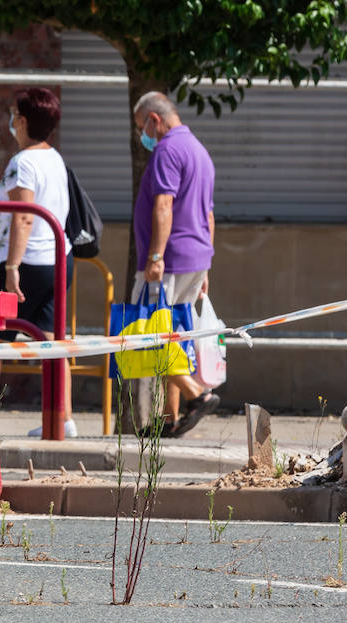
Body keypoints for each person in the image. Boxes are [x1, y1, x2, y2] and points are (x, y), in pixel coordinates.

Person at [0, 87, 77, 437]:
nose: (12, 122)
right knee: (53, 342)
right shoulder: (54, 158)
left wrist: (11, 267)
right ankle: (63, 420)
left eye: (13, 116)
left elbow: (24, 216)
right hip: (57, 260)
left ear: (22, 121)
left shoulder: (22, 162)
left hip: (25, 264)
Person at [131, 90, 220, 437]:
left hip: (169, 260)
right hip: (195, 258)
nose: (143, 136)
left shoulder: (167, 149)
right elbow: (208, 215)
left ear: (155, 120)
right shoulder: (199, 150)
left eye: (142, 127)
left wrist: (155, 255)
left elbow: (164, 205)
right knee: (174, 336)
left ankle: (197, 395)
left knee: (144, 333)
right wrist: (207, 265)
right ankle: (169, 418)